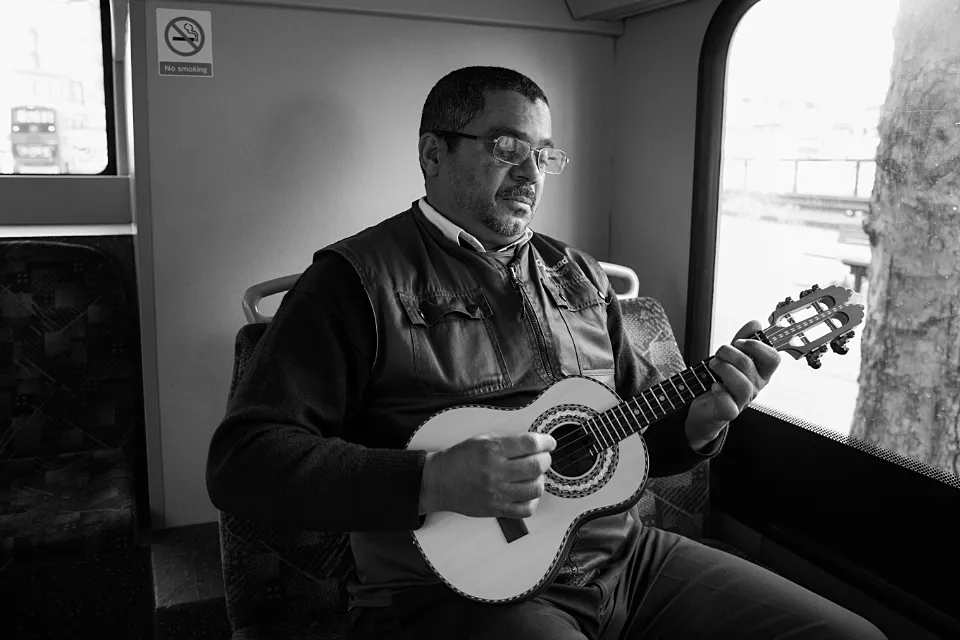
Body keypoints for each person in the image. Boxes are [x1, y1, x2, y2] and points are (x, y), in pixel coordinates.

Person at [206, 66, 886, 640]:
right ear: (433, 154)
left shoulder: (580, 276)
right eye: (507, 146)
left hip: (624, 558)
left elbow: (635, 440)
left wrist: (699, 424)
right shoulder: (353, 282)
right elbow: (245, 462)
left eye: (544, 153)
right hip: (448, 589)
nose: (532, 171)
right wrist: (432, 481)